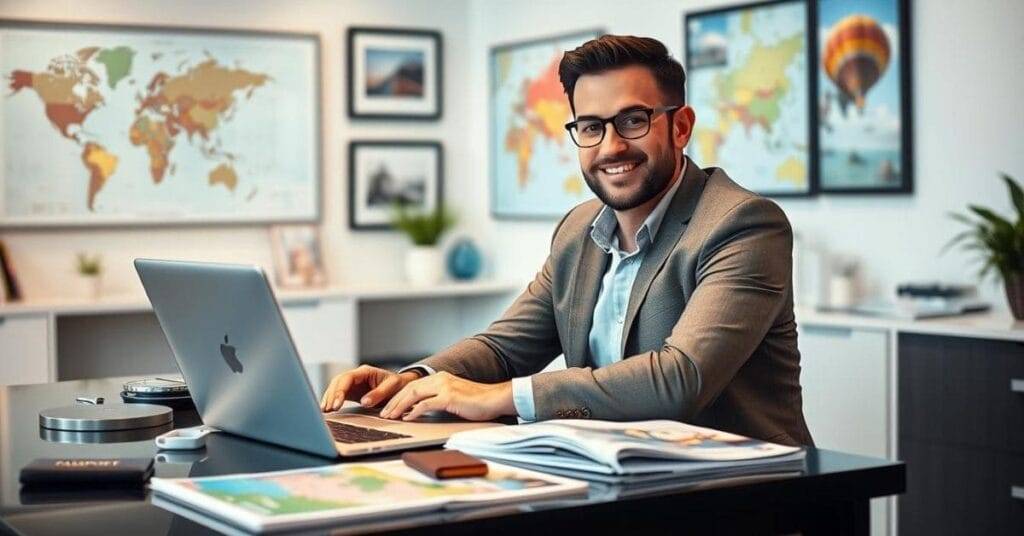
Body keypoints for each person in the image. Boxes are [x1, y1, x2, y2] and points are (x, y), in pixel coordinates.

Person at [321, 35, 812, 446]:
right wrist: (413, 381)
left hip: (740, 495)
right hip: (616, 478)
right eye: (592, 127)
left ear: (680, 126)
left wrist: (502, 396)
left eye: (634, 121)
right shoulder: (579, 230)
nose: (612, 146)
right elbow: (504, 348)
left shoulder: (743, 224)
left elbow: (680, 379)